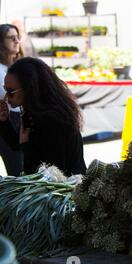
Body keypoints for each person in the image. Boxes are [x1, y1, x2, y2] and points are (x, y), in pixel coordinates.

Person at [0, 57, 86, 176]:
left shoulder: (52, 119)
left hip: (67, 188)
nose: (6, 97)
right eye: (5, 90)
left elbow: (53, 172)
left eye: (10, 92)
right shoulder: (32, 112)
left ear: (29, 89)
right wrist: (4, 121)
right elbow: (17, 143)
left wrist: (26, 146)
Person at [0, 24, 24, 176]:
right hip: (6, 120)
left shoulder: (19, 66)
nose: (16, 41)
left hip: (20, 118)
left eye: (17, 37)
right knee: (17, 168)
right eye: (11, 37)